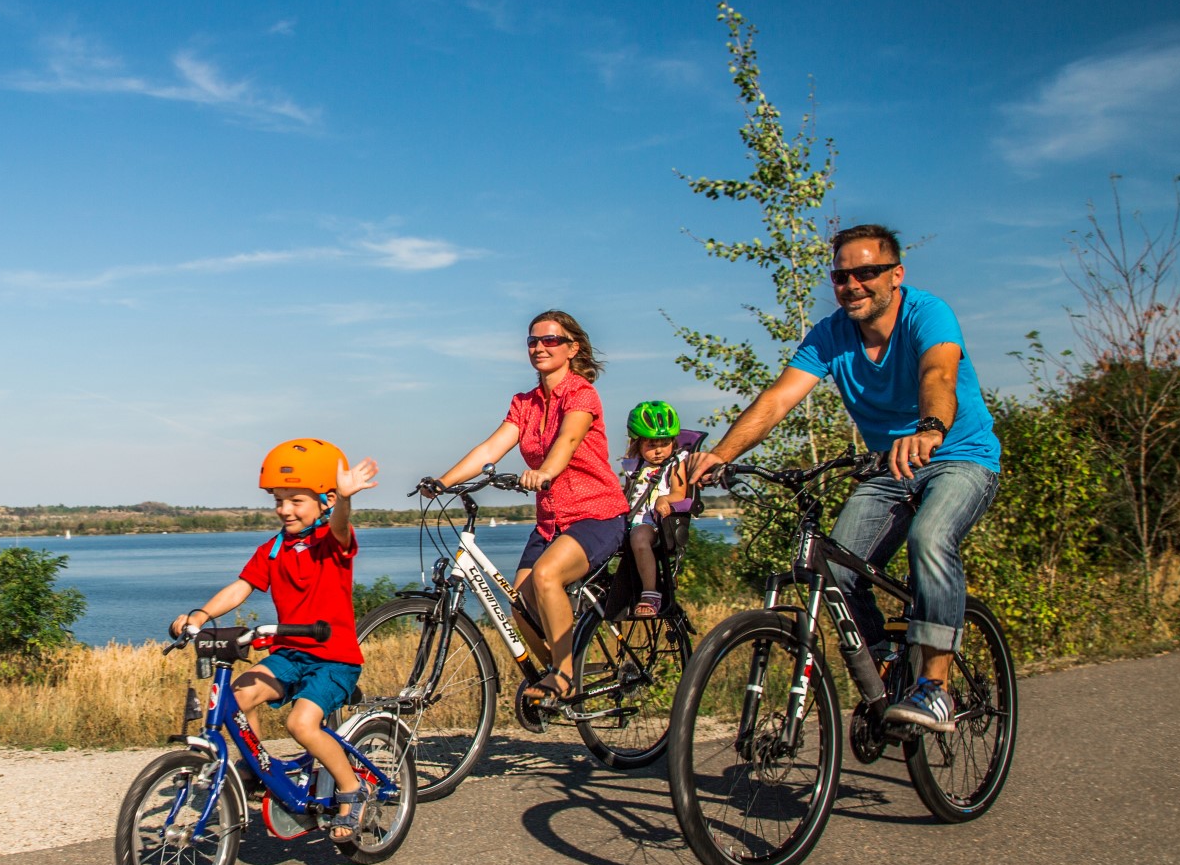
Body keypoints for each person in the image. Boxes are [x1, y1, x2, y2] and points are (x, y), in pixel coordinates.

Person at [688, 224, 1001, 732]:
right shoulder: (831, 334)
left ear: (895, 275)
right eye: (841, 276)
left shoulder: (927, 313)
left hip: (959, 456)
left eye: (867, 273)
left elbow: (938, 374)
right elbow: (778, 400)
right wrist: (720, 454)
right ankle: (883, 667)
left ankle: (934, 688)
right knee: (837, 569)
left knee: (930, 536)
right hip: (890, 467)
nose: (853, 284)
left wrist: (929, 429)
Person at [172, 438, 379, 843]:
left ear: (325, 500)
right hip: (290, 653)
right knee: (235, 698)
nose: (284, 509)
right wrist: (201, 615)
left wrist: (346, 502)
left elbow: (339, 528)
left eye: (296, 500)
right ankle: (255, 767)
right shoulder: (273, 550)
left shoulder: (332, 542)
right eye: (278, 500)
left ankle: (353, 791)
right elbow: (242, 587)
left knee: (301, 723)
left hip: (333, 658)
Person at [422, 310, 630, 712]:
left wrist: (546, 471)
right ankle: (562, 666)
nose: (539, 347)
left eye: (551, 340)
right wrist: (442, 483)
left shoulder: (581, 393)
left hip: (596, 513)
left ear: (572, 348)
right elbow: (489, 449)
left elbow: (568, 440)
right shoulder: (525, 403)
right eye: (533, 341)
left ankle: (566, 675)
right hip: (552, 520)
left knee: (548, 575)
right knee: (520, 602)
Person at [620, 399, 691, 619]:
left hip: (655, 522)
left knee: (639, 538)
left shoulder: (675, 463)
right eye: (651, 445)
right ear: (638, 444)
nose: (659, 450)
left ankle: (651, 594)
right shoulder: (635, 466)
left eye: (664, 443)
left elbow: (680, 493)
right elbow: (627, 493)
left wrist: (665, 499)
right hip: (633, 517)